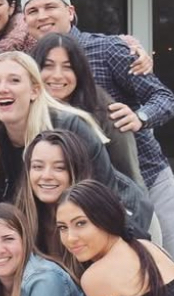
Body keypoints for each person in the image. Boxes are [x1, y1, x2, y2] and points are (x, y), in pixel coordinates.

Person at [19, 0, 174, 272]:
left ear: (70, 11)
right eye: (33, 11)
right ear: (24, 21)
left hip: (146, 175)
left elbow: (165, 97)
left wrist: (140, 117)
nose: (42, 16)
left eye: (50, 7)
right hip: (89, 195)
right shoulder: (29, 66)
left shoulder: (109, 49)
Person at [0, 51, 153, 235]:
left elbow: (105, 195)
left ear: (35, 91)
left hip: (116, 222)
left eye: (14, 80)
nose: (2, 89)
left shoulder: (70, 128)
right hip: (51, 234)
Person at [17, 130, 155, 277]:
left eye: (59, 168)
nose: (46, 176)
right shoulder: (20, 220)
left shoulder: (103, 216)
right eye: (37, 167)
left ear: (76, 171)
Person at [33, 32, 143, 186]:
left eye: (68, 67)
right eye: (48, 66)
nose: (57, 75)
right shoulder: (23, 108)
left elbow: (129, 177)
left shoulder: (104, 108)